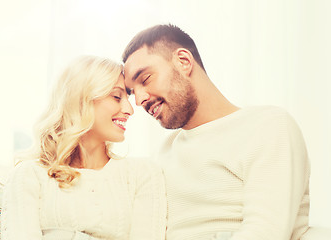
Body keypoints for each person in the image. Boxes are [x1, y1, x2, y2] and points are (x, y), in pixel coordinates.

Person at [122, 24, 310, 240]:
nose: (139, 100)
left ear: (183, 61)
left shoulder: (267, 126)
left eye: (145, 79)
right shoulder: (160, 156)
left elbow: (265, 231)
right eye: (131, 92)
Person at [1, 56, 167, 240]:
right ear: (81, 100)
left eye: (127, 98)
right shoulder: (29, 176)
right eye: (116, 97)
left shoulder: (143, 175)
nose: (129, 109)